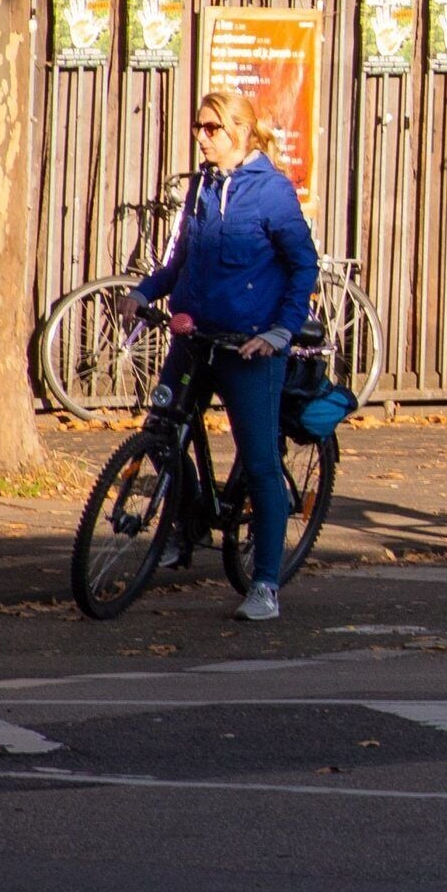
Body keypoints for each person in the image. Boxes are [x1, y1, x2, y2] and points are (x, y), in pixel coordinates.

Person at [130, 89, 320, 622]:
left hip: (249, 345)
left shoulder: (272, 192)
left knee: (259, 460)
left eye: (211, 128)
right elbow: (182, 260)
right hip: (195, 338)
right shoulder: (202, 191)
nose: (201, 136)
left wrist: (281, 331)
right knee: (161, 434)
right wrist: (146, 292)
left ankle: (264, 585)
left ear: (238, 131)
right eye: (198, 127)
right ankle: (182, 529)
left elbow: (303, 265)